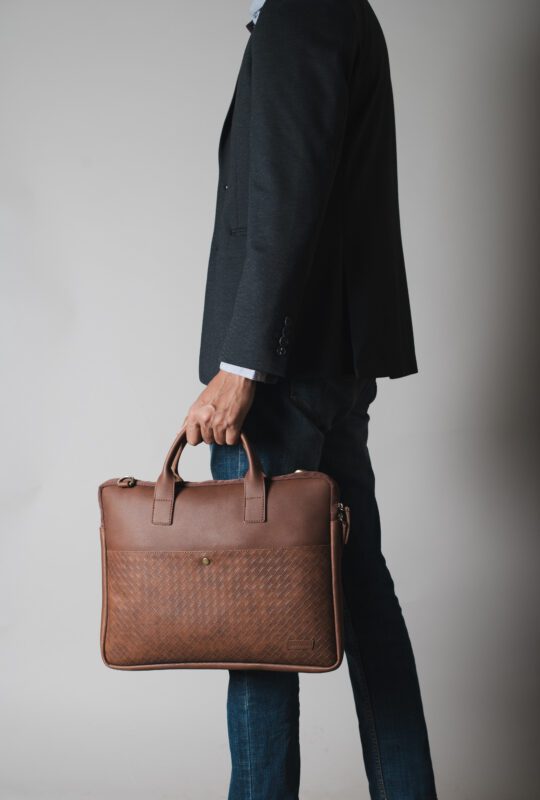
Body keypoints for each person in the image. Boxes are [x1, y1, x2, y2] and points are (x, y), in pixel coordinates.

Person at [183, 1, 438, 798]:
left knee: (258, 617)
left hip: (282, 373)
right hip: (329, 362)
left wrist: (242, 366)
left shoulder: (301, 12)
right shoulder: (339, 11)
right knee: (363, 598)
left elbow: (286, 194)